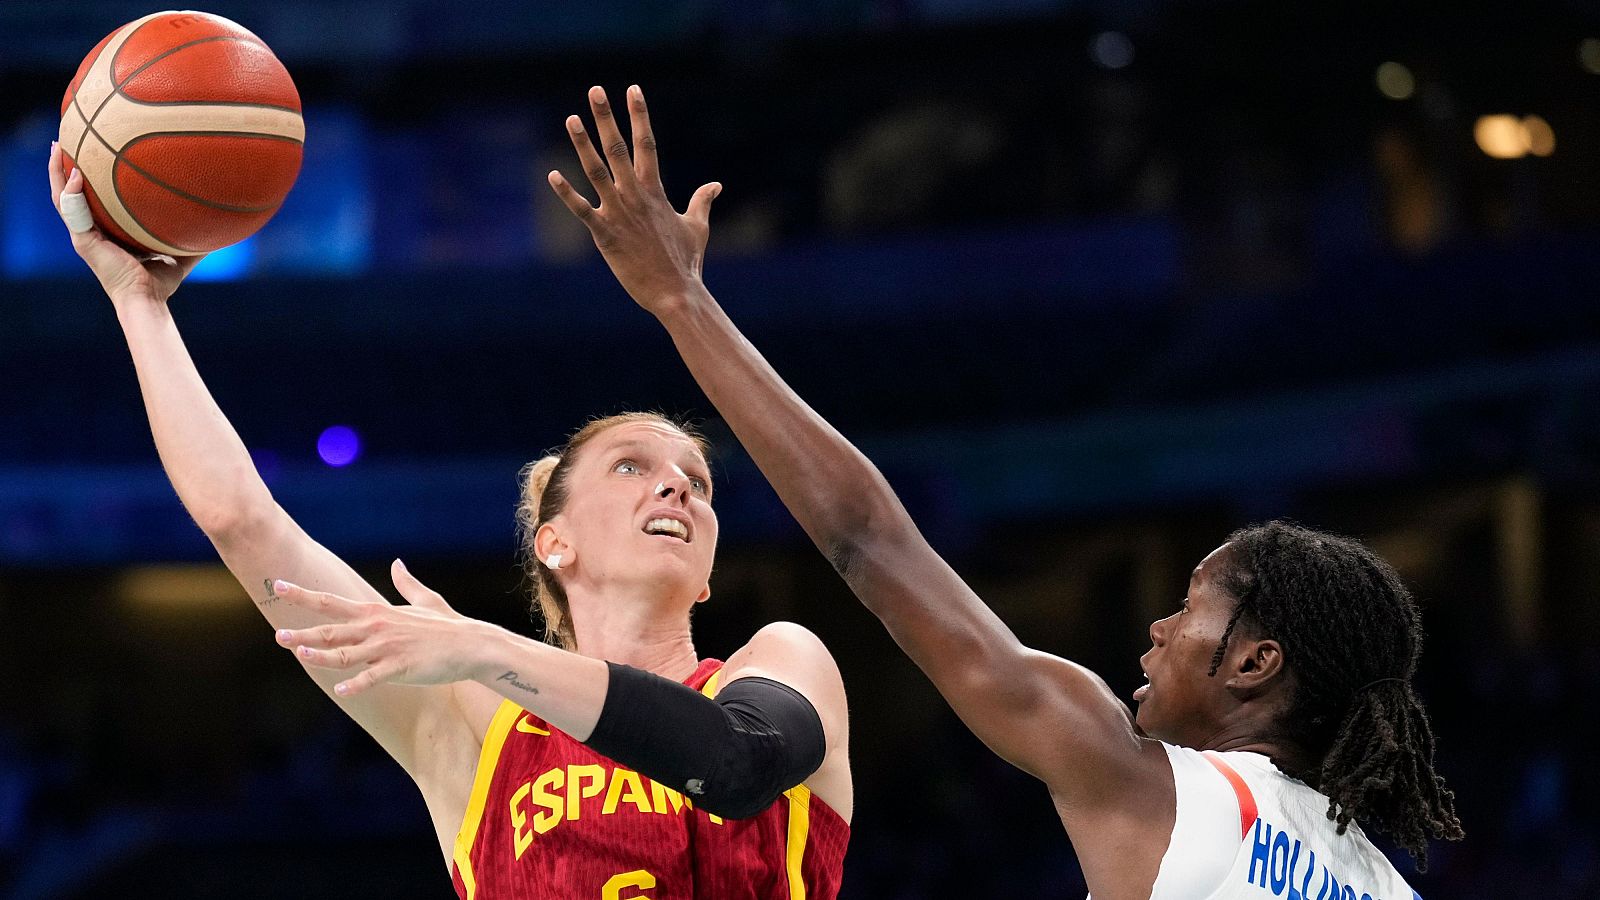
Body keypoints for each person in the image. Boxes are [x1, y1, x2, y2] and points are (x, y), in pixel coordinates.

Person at [545, 84, 1465, 899]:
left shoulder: (1148, 784)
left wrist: (682, 302)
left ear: (1255, 664)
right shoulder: (1379, 879)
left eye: (1190, 609)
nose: (1157, 628)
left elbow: (870, 543)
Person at [48, 143, 851, 900]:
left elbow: (739, 763)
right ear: (554, 541)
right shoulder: (471, 719)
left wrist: (484, 646)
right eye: (632, 467)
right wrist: (138, 302)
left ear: (708, 575)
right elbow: (243, 523)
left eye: (698, 483)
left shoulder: (782, 661)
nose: (677, 488)